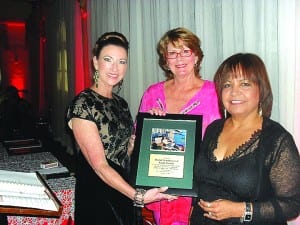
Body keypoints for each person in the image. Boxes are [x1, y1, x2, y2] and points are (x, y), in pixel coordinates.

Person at [66, 32, 176, 225]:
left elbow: (121, 154)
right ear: (95, 62)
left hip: (121, 189)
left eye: (122, 62)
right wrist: (138, 196)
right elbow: (99, 165)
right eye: (108, 60)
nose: (115, 68)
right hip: (98, 195)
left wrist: (149, 126)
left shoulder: (121, 104)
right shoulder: (83, 103)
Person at [190, 53, 300, 225]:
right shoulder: (213, 129)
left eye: (245, 84)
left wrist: (240, 210)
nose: (234, 92)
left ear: (261, 90)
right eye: (227, 85)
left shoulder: (277, 139)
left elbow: (292, 205)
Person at [138, 27, 221, 225]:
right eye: (172, 53)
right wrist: (150, 127)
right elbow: (137, 148)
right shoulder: (152, 93)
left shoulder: (214, 92)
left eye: (186, 51)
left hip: (200, 190)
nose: (180, 58)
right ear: (165, 60)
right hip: (162, 189)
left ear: (197, 56)